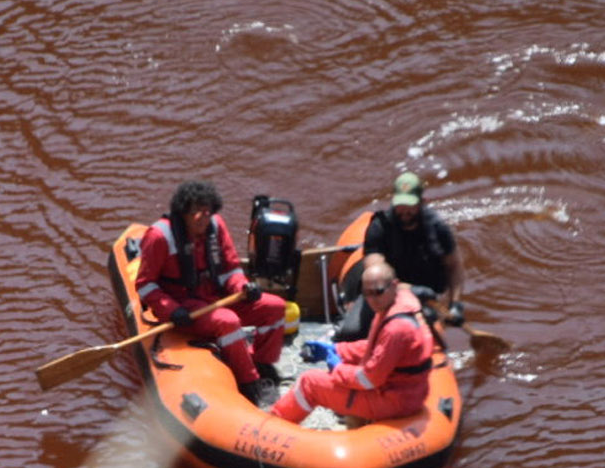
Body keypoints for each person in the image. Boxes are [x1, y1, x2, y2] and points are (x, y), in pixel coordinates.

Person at [136, 179, 289, 408]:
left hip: (215, 298)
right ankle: (250, 384)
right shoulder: (159, 237)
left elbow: (231, 269)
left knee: (275, 307)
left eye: (207, 212)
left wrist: (242, 287)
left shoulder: (215, 226)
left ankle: (262, 364)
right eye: (196, 211)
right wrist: (171, 310)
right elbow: (145, 284)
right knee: (228, 322)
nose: (202, 218)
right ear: (183, 211)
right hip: (184, 307)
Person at [272, 262, 433, 424]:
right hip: (404, 391)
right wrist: (337, 349)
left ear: (394, 285)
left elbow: (369, 379)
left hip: (396, 400)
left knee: (309, 383)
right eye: (367, 293)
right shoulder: (394, 305)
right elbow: (376, 348)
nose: (372, 300)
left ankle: (274, 426)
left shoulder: (396, 329)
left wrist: (338, 368)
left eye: (378, 292)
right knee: (346, 364)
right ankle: (355, 422)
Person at [334, 170, 465, 341]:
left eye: (410, 205)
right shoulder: (380, 227)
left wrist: (455, 304)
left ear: (422, 202)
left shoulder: (438, 230)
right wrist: (409, 290)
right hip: (385, 292)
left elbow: (454, 267)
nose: (404, 211)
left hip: (426, 297)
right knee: (351, 332)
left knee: (422, 336)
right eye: (400, 205)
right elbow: (376, 271)